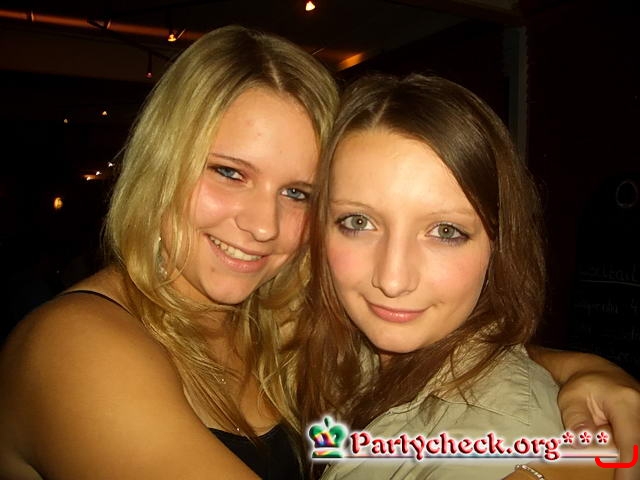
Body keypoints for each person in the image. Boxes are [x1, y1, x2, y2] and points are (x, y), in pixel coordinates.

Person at [0, 26, 638, 480]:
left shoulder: (273, 321)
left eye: (298, 192)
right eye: (228, 172)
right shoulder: (75, 348)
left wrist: (583, 369)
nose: (262, 225)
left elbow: (436, 346)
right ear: (162, 163)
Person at [296, 73, 639, 480]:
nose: (392, 279)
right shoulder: (334, 348)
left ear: (499, 245)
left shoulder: (495, 442)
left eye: (445, 231)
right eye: (358, 221)